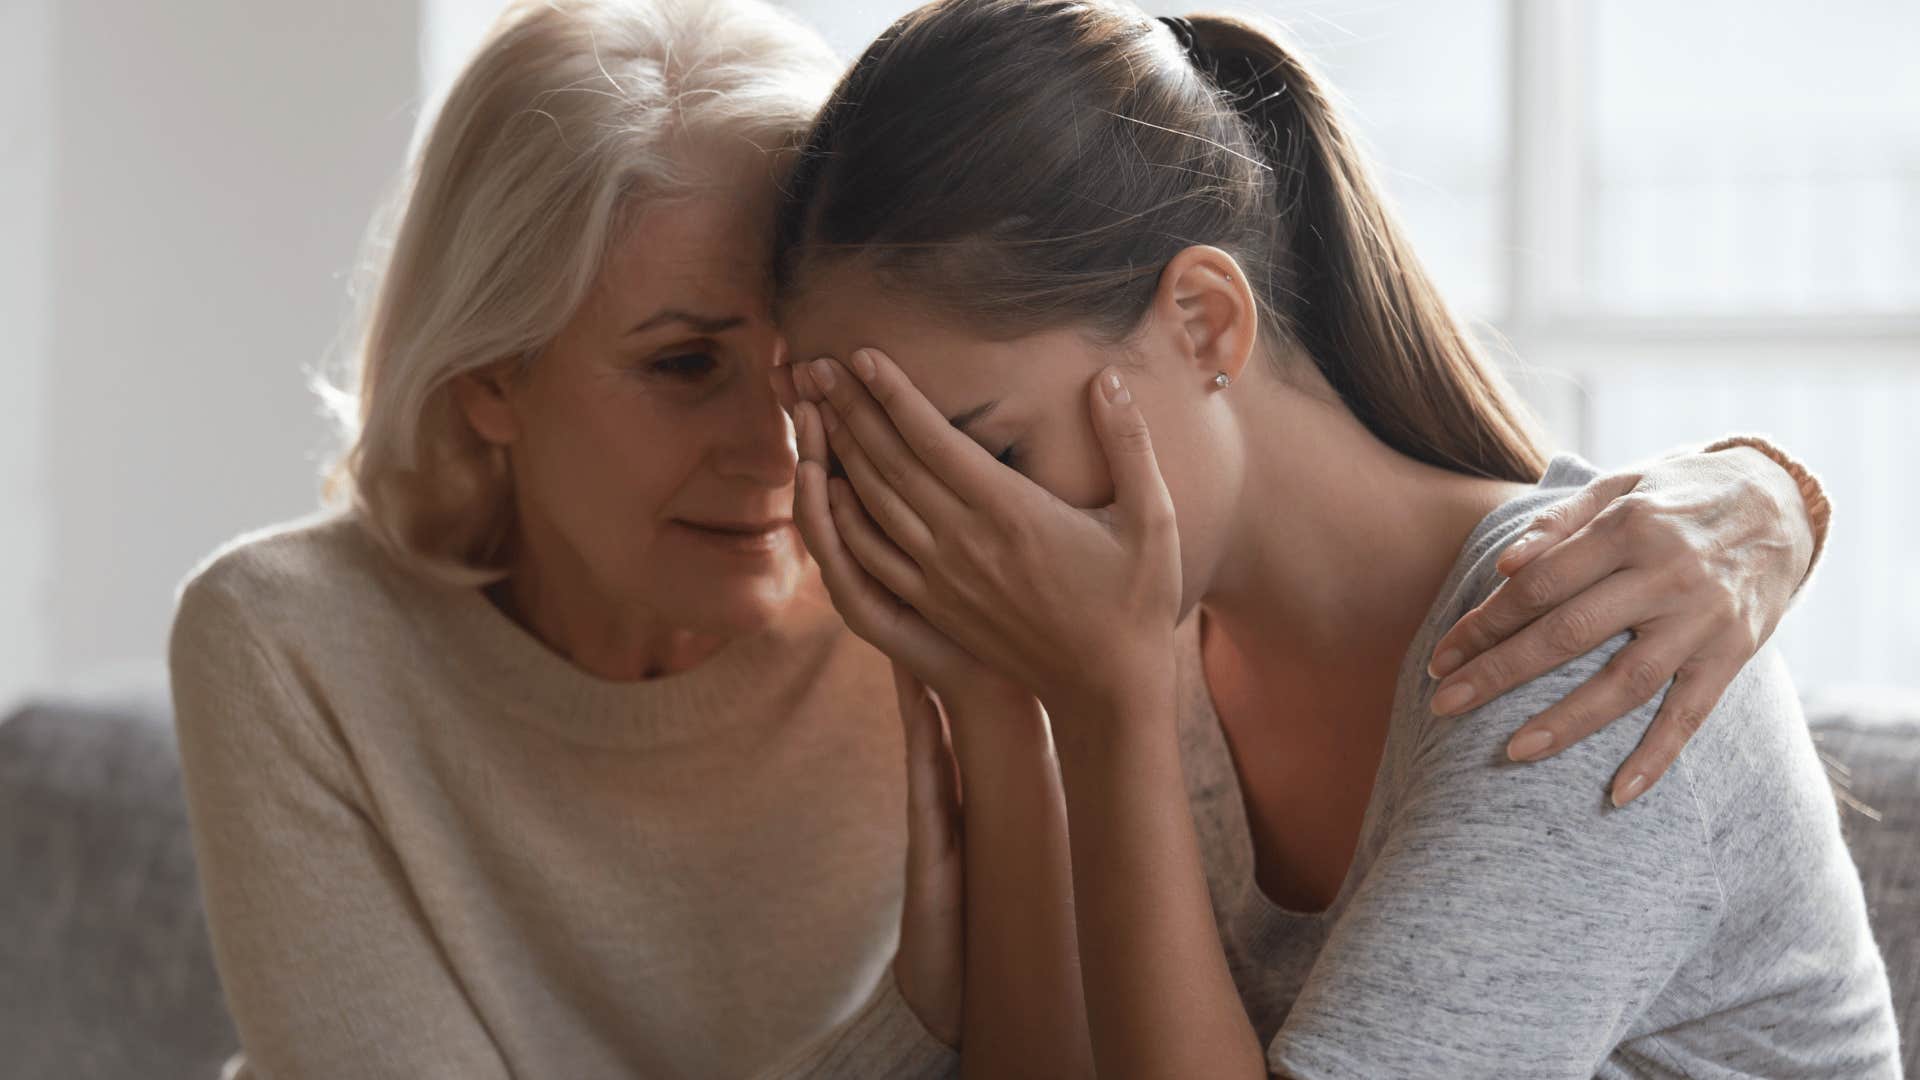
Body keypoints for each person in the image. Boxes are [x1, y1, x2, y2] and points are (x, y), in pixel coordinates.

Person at [170, 0, 1833, 1076]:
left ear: (1205, 323)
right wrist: (1037, 707)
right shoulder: (1099, 617)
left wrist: (1770, 488)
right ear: (488, 385)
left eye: (952, 444)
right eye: (691, 369)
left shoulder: (1554, 636)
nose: (796, 465)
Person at [774, 1, 1897, 1076]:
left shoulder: (1582, 639)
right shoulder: (1128, 637)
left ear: (1204, 320)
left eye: (993, 457)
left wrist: (1101, 704)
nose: (959, 541)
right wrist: (998, 707)